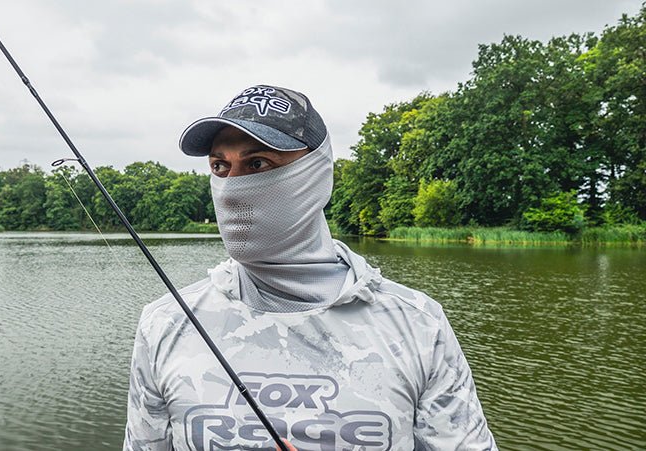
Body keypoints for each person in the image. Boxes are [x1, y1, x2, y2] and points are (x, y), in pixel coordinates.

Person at [124, 84, 497, 451]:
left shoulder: (418, 323)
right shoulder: (165, 323)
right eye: (220, 166)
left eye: (257, 163)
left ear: (317, 173)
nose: (231, 189)